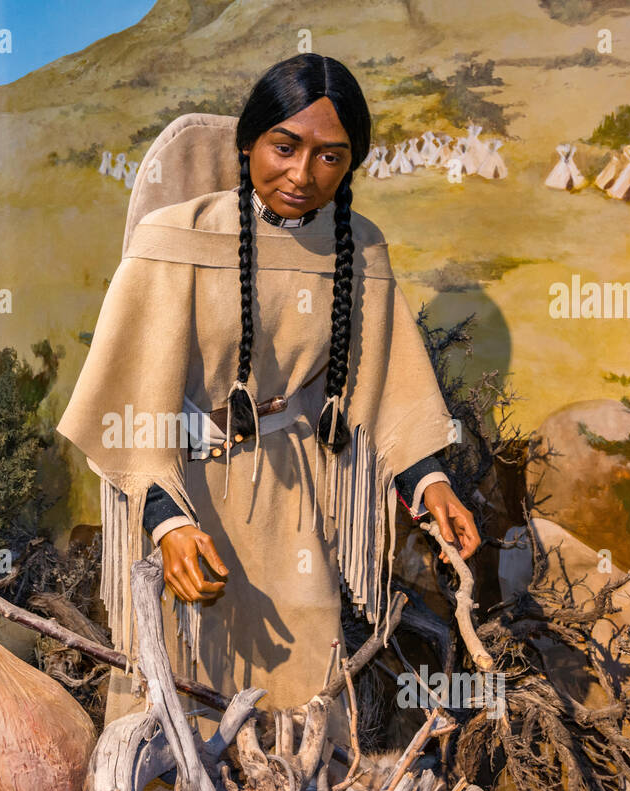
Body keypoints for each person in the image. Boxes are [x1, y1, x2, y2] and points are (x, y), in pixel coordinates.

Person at [57, 54, 480, 744]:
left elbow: (387, 387)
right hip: (189, 496)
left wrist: (429, 483)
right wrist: (166, 523)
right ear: (248, 141)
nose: (302, 174)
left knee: (308, 695)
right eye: (285, 147)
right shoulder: (177, 239)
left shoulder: (358, 249)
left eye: (330, 157)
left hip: (294, 509)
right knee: (178, 701)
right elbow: (132, 401)